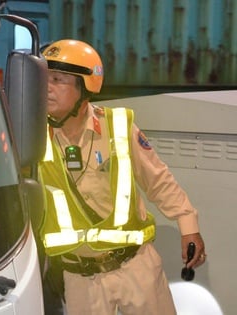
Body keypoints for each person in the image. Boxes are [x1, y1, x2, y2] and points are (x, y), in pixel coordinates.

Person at [37, 39, 206, 315]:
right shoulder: (30, 134)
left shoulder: (117, 126)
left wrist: (188, 226)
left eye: (57, 79)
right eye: (43, 77)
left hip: (136, 267)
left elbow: (159, 181)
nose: (46, 87)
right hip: (80, 277)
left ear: (85, 86)